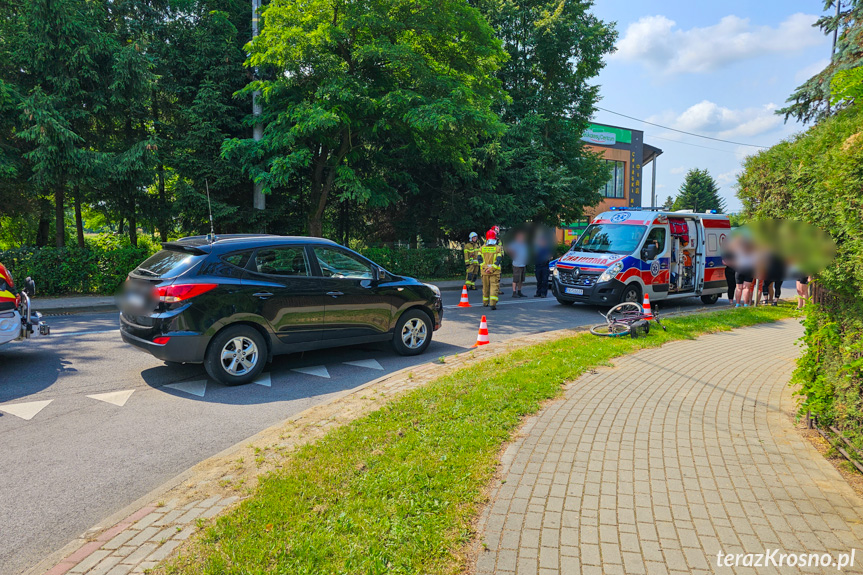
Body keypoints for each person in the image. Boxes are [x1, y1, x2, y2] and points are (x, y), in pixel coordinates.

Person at [479, 228, 504, 309]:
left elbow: (480, 260)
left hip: (484, 271)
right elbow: (498, 260)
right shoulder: (498, 248)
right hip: (494, 272)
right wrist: (492, 269)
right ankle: (492, 304)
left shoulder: (481, 248)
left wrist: (486, 268)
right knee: (494, 287)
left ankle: (485, 302)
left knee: (485, 287)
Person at [507, 231, 528, 298]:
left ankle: (519, 291)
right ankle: (514, 292)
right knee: (515, 279)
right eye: (521, 237)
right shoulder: (515, 244)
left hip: (523, 264)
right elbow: (509, 249)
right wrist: (513, 255)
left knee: (521, 280)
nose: (522, 238)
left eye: (523, 237)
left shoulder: (524, 244)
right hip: (517, 264)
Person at [534, 231, 552, 298]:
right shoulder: (537, 248)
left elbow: (551, 256)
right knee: (539, 280)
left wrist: (548, 258)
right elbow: (534, 256)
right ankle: (538, 292)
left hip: (545, 266)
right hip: (538, 265)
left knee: (544, 281)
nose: (542, 242)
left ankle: (543, 293)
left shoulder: (547, 248)